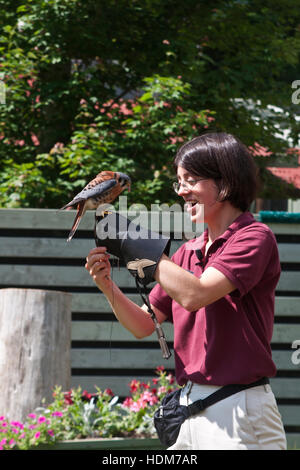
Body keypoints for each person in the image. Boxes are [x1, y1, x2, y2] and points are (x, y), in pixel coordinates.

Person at [85, 132, 287, 450]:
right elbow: (142, 324)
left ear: (226, 183)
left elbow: (196, 295)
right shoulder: (187, 252)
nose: (181, 191)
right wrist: (106, 284)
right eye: (178, 181)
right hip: (188, 411)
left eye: (190, 180)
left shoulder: (254, 238)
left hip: (238, 411)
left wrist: (136, 243)